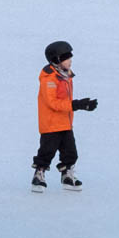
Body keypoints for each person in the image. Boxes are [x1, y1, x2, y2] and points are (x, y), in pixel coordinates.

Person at [30, 39, 97, 193]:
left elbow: (64, 101)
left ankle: (67, 175)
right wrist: (76, 105)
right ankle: (39, 175)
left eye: (70, 57)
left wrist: (82, 105)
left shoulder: (65, 76)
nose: (70, 61)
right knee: (47, 151)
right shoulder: (49, 79)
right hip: (51, 124)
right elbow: (53, 103)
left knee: (70, 152)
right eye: (67, 58)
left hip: (65, 123)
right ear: (57, 60)